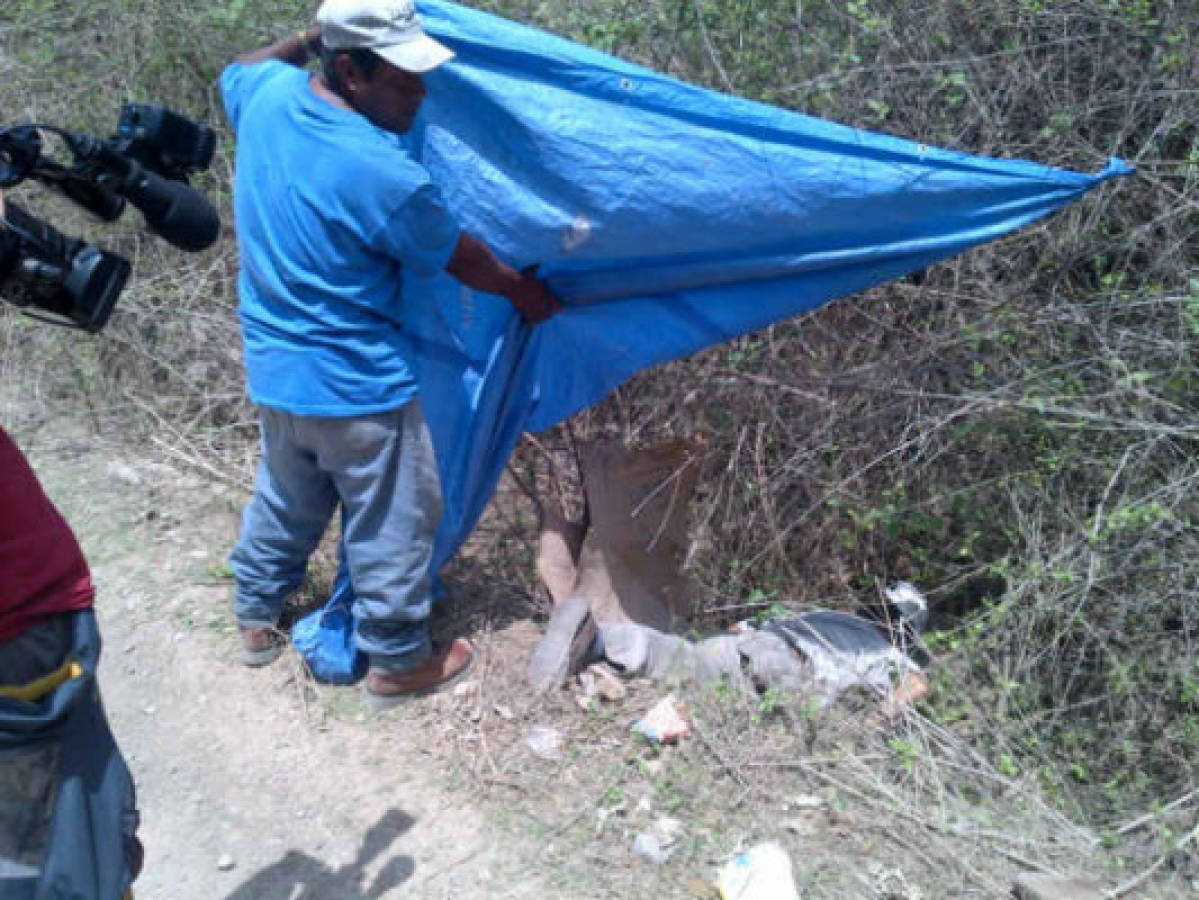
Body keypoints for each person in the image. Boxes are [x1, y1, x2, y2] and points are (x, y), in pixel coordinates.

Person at [221, 0, 562, 706]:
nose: (421, 93)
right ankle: (399, 661)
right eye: (404, 78)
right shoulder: (382, 172)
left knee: (287, 496)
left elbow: (239, 69)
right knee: (394, 519)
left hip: (277, 368)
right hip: (357, 385)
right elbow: (462, 258)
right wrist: (519, 294)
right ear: (350, 69)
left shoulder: (270, 98)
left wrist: (308, 35)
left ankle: (256, 617)